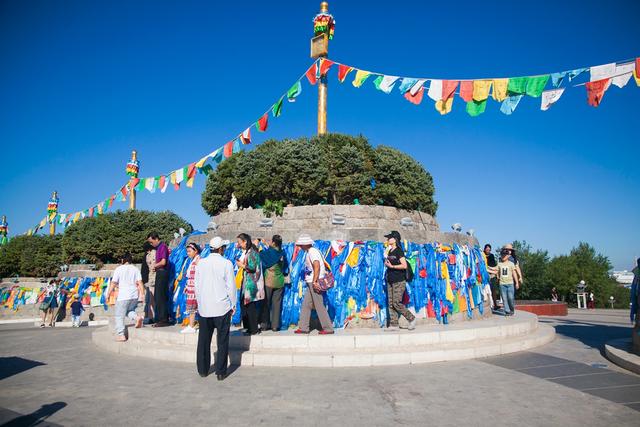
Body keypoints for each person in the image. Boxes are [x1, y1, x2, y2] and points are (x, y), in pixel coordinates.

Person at [194, 236, 236, 380]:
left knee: (203, 340)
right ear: (220, 249)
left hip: (205, 308)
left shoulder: (201, 263)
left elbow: (196, 286)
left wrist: (200, 303)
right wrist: (233, 304)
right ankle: (221, 371)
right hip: (222, 307)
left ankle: (203, 369)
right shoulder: (227, 263)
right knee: (222, 340)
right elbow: (231, 286)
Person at [294, 234, 334, 335]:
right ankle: (304, 327)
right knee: (306, 305)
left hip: (314, 282)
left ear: (306, 244)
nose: (300, 246)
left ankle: (328, 328)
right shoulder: (310, 252)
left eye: (301, 244)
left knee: (319, 305)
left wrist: (315, 281)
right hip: (311, 282)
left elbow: (316, 266)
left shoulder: (312, 252)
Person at [104, 253, 145, 342]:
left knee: (119, 315)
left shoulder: (119, 269)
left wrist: (108, 293)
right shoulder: (135, 269)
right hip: (134, 295)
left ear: (123, 260)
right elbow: (140, 282)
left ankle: (121, 335)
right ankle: (137, 317)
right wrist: (142, 294)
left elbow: (114, 282)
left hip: (123, 295)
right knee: (129, 311)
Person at [383, 231, 416, 331]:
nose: (388, 239)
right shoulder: (389, 251)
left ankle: (411, 318)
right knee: (391, 303)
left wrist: (392, 266)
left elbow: (404, 265)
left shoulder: (399, 251)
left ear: (395, 239)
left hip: (399, 280)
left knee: (397, 302)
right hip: (390, 279)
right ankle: (394, 324)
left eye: (390, 238)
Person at [259, 235, 289, 332]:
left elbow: (262, 255)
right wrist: (266, 244)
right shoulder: (282, 253)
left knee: (266, 304)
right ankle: (275, 326)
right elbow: (274, 252)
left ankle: (264, 325)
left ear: (273, 242)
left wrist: (259, 247)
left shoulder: (269, 253)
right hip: (279, 281)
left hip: (269, 281)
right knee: (277, 304)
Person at [236, 233, 264, 336]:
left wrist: (241, 265)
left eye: (240, 242)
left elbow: (252, 267)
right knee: (245, 305)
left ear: (245, 241)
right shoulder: (247, 252)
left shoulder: (252, 252)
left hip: (251, 283)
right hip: (246, 282)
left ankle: (253, 329)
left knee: (250, 307)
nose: (239, 245)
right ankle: (248, 327)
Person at [147, 232, 171, 327]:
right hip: (159, 272)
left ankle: (164, 319)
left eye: (151, 241)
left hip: (162, 272)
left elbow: (163, 261)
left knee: (160, 296)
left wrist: (154, 265)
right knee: (158, 296)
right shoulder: (158, 248)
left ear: (156, 238)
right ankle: (161, 318)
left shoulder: (162, 247)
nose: (151, 244)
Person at [181, 242, 202, 334]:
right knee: (192, 307)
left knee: (193, 307)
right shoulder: (193, 260)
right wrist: (187, 286)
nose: (188, 253)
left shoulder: (198, 260)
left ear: (195, 251)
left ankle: (192, 326)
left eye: (189, 251)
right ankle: (192, 325)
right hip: (191, 286)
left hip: (195, 287)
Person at [497, 247, 519, 316]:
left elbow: (514, 273)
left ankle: (512, 309)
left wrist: (517, 283)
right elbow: (496, 271)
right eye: (502, 255)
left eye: (505, 255)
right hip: (502, 284)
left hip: (510, 284)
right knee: (504, 299)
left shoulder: (511, 264)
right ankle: (507, 311)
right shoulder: (499, 264)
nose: (503, 256)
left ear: (508, 256)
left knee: (510, 298)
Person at [140, 241, 157, 324]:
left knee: (151, 299)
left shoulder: (150, 255)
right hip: (153, 279)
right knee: (151, 299)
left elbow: (151, 268)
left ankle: (151, 317)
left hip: (152, 279)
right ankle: (152, 316)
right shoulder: (152, 254)